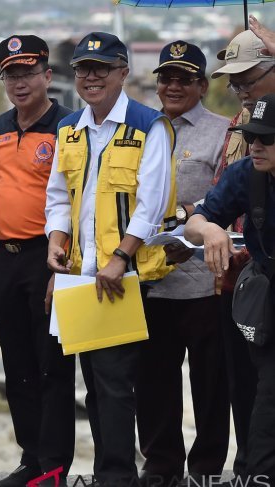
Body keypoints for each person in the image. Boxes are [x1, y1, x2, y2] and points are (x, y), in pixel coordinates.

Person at [44, 32, 176, 487]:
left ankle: (117, 476)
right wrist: (55, 242)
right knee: (96, 387)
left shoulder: (148, 125)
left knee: (117, 384)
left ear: (123, 72)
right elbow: (59, 196)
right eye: (83, 68)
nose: (91, 76)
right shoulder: (70, 129)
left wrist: (121, 257)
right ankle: (109, 473)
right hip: (82, 277)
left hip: (127, 276)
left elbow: (152, 204)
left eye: (102, 68)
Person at [0, 34, 75, 487]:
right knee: (16, 365)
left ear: (47, 76)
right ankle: (31, 460)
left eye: (28, 73)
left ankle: (55, 468)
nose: (20, 82)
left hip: (47, 258)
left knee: (52, 366)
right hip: (5, 258)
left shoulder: (66, 126)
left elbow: (75, 200)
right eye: (11, 74)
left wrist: (66, 265)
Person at [134, 40, 230, 486]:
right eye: (166, 77)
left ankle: (207, 469)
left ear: (202, 85)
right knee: (154, 382)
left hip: (204, 280)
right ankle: (160, 466)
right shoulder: (140, 130)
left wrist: (193, 219)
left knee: (210, 385)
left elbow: (229, 199)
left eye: (184, 78)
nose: (173, 86)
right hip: (150, 281)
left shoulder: (224, 132)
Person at [184, 92, 275, 483]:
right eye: (250, 136)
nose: (255, 146)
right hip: (266, 300)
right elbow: (195, 222)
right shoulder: (245, 175)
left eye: (266, 138)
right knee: (266, 397)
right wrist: (209, 230)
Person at [209, 26, 275, 476]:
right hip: (248, 280)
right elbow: (212, 204)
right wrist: (208, 229)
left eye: (248, 80)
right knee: (251, 391)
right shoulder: (244, 127)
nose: (241, 92)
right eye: (234, 84)